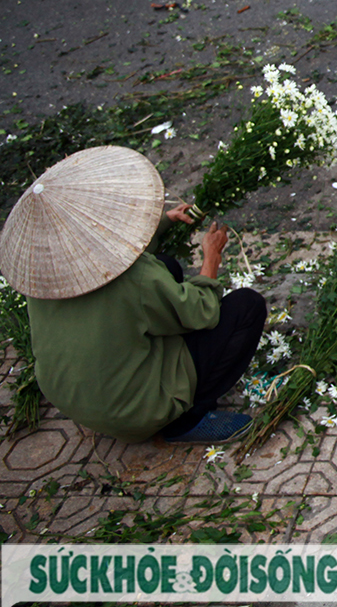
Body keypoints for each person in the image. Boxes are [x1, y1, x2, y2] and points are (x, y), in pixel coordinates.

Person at [0, 146, 267, 444]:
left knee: (166, 267)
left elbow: (111, 253)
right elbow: (202, 311)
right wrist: (211, 260)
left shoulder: (44, 270)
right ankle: (184, 419)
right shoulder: (137, 277)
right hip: (134, 411)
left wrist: (164, 221)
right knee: (247, 307)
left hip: (75, 400)